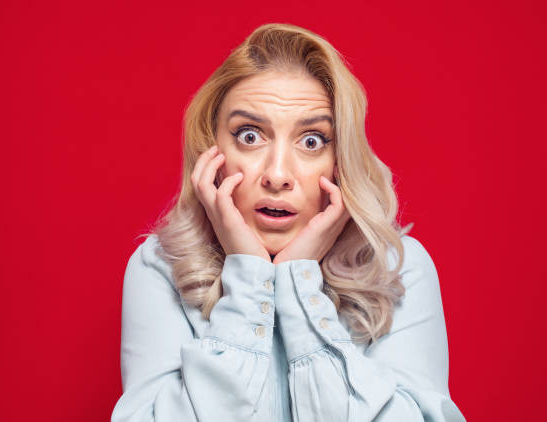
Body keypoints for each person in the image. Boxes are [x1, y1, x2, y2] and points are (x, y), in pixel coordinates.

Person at [111, 23, 466, 421]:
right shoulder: (160, 267)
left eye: (311, 141)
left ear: (341, 160)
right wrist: (249, 279)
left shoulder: (398, 267)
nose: (278, 174)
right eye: (249, 136)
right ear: (212, 151)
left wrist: (298, 284)